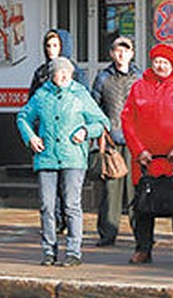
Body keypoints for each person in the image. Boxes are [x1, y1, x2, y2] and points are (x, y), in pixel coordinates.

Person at [17, 55, 110, 265]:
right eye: (60, 72)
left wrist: (85, 131)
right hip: (46, 157)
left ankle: (73, 252)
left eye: (67, 72)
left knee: (71, 205)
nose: (64, 75)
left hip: (73, 158)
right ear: (52, 74)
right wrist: (31, 137)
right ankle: (49, 250)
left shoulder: (80, 94)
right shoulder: (42, 95)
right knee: (47, 206)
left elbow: (102, 123)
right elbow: (23, 117)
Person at [122, 43, 173, 265]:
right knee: (143, 208)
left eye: (165, 62)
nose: (160, 65)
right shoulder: (139, 87)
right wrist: (139, 150)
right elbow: (127, 119)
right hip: (146, 160)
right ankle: (143, 248)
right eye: (157, 61)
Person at [90, 36, 139, 247]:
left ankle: (142, 235)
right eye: (118, 51)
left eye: (126, 50)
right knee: (111, 190)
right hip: (111, 140)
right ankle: (107, 233)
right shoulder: (103, 78)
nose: (122, 54)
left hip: (136, 140)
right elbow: (93, 106)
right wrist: (101, 129)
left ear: (132, 53)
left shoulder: (139, 78)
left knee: (136, 190)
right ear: (111, 53)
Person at [27, 28, 75, 96]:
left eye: (55, 46)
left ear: (62, 47)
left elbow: (83, 98)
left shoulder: (74, 71)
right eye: (48, 46)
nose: (51, 50)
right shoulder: (41, 72)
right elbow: (33, 98)